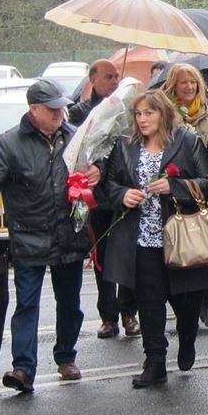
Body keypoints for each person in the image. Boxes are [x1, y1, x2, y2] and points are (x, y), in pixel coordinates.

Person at [0, 78, 95, 392]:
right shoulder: (9, 143)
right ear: (34, 110)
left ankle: (66, 356)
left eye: (61, 109)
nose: (58, 114)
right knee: (27, 304)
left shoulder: (75, 138)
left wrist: (97, 172)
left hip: (69, 233)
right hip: (29, 235)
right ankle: (23, 369)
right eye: (52, 109)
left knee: (70, 303)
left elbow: (95, 170)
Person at [100, 90, 208, 388]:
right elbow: (108, 184)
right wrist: (122, 195)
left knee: (186, 301)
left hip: (181, 238)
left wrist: (174, 187)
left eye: (149, 113)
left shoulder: (187, 141)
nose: (142, 119)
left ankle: (187, 337)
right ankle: (155, 362)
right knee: (149, 301)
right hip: (142, 240)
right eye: (138, 114)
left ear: (164, 114)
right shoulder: (125, 145)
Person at [67, 59, 140, 340]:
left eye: (116, 76)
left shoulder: (127, 111)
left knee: (129, 256)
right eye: (108, 76)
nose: (114, 81)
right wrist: (95, 164)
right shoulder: (79, 113)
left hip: (123, 191)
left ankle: (129, 312)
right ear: (93, 79)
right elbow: (78, 151)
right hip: (97, 198)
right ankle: (108, 316)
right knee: (103, 259)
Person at [162, 63, 208, 328]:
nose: (189, 87)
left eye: (193, 82)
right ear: (173, 85)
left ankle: (206, 305)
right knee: (182, 245)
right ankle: (183, 305)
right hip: (177, 188)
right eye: (183, 82)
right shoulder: (164, 113)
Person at [68, 59, 120, 125]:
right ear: (93, 81)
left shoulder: (125, 107)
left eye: (116, 77)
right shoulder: (78, 112)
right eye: (109, 77)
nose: (115, 82)